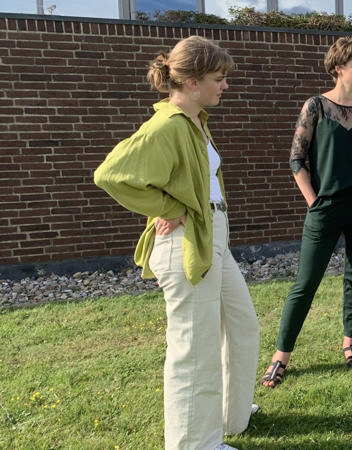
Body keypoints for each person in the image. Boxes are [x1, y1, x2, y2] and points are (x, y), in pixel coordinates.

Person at [94, 36, 260, 450]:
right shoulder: (166, 124)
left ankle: (230, 417)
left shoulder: (195, 121)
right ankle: (194, 444)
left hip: (211, 237)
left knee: (242, 327)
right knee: (194, 349)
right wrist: (166, 206)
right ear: (190, 80)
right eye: (218, 78)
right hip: (187, 242)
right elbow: (111, 175)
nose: (225, 85)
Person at [261, 36, 352, 387]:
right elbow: (296, 159)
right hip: (326, 206)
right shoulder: (315, 106)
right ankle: (280, 356)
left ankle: (350, 342)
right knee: (306, 282)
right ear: (338, 69)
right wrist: (313, 200)